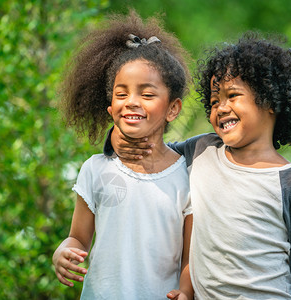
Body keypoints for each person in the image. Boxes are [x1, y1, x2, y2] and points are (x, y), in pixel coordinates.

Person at [108, 32, 291, 299]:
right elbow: (150, 150)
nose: (221, 108)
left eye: (232, 95)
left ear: (270, 101)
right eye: (214, 101)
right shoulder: (202, 150)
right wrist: (114, 138)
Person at [52, 11, 194, 300]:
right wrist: (63, 250)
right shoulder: (95, 169)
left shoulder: (187, 176)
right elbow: (78, 236)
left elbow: (189, 258)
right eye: (121, 93)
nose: (131, 101)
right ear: (110, 107)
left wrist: (186, 291)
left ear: (173, 108)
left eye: (147, 93)